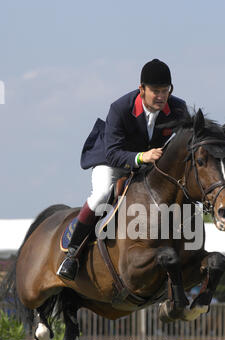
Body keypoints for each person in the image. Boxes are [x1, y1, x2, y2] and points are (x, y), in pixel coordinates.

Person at [57, 59, 188, 280]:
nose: (161, 96)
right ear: (141, 89)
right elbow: (113, 153)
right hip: (113, 160)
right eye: (155, 91)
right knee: (100, 196)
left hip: (150, 166)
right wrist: (141, 156)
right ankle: (72, 254)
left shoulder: (178, 108)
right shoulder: (120, 108)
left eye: (165, 90)